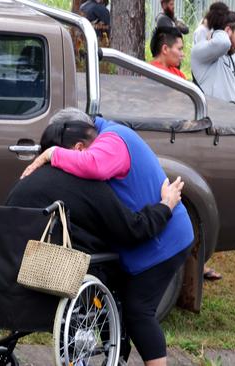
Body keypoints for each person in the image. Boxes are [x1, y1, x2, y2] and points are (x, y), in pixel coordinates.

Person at [22, 108, 194, 366]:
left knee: (139, 311)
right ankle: (112, 356)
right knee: (112, 302)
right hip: (135, 233)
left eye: (70, 153)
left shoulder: (114, 139)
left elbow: (94, 165)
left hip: (162, 239)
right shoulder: (98, 138)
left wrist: (52, 154)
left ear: (79, 143)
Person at [150, 26, 223, 281]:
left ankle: (195, 261)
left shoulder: (177, 73)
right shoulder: (153, 74)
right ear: (165, 49)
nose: (183, 54)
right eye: (179, 49)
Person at [190, 11, 235, 106]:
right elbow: (223, 43)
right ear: (228, 31)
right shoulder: (201, 54)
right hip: (215, 118)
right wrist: (218, 30)